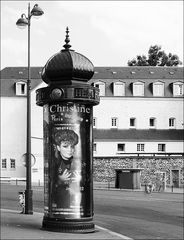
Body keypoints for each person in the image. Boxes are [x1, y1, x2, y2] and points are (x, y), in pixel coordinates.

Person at [52, 129, 81, 209]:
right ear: (58, 147)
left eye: (72, 146)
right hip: (60, 199)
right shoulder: (55, 163)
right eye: (65, 146)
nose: (70, 150)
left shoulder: (77, 163)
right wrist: (60, 179)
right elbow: (51, 180)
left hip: (74, 198)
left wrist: (80, 178)